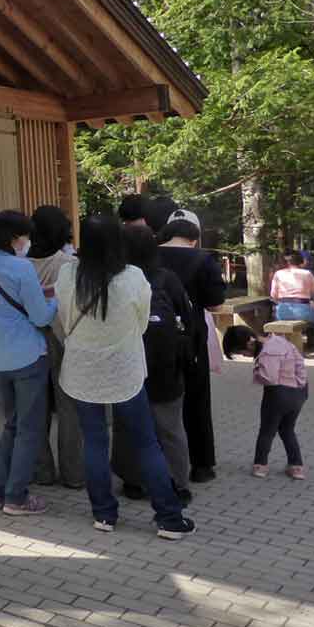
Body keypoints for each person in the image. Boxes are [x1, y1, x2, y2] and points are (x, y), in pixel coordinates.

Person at [59, 212, 196, 539]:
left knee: (93, 442)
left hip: (81, 370)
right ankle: (169, 518)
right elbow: (142, 322)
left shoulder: (68, 274)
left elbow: (64, 319)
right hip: (125, 371)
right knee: (147, 444)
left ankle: (104, 515)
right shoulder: (133, 276)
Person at [0, 210, 58, 516]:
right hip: (28, 357)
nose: (27, 242)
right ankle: (16, 497)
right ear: (13, 238)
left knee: (12, 425)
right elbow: (40, 316)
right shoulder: (21, 268)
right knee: (29, 430)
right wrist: (56, 299)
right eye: (25, 236)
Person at [113, 225, 195, 504]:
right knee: (170, 427)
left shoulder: (115, 280)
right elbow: (188, 319)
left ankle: (133, 480)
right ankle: (179, 483)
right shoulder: (167, 279)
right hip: (165, 368)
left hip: (127, 364)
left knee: (126, 426)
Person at [158, 209, 226, 483]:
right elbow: (216, 304)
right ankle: (201, 465)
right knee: (196, 400)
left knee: (157, 400)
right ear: (194, 238)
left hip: (153, 337)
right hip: (191, 336)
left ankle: (153, 464)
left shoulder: (148, 253)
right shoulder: (204, 259)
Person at [29, 206, 83, 490]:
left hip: (30, 340)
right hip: (63, 338)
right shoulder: (67, 263)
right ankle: (74, 473)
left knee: (36, 406)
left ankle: (41, 470)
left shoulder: (20, 263)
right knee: (69, 408)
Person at [247, 324, 309, 480]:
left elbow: (270, 378)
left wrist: (257, 371)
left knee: (267, 431)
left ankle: (260, 465)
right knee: (288, 429)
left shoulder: (267, 351)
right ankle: (296, 466)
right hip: (298, 392)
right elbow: (300, 363)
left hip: (277, 395)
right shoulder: (283, 342)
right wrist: (300, 384)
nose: (246, 355)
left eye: (242, 351)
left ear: (249, 342)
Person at [271, 251, 314, 354]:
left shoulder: (278, 274)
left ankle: (310, 342)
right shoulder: (307, 274)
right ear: (302, 262)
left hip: (282, 311)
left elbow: (273, 295)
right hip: (302, 311)